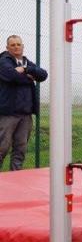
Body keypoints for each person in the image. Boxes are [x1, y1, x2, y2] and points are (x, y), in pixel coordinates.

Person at [0, 35, 48, 170]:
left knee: (20, 149)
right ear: (7, 47)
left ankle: (15, 178)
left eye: (18, 44)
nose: (16, 47)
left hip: (25, 115)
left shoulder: (26, 62)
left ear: (22, 46)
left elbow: (43, 75)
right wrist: (29, 78)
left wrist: (26, 70)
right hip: (8, 113)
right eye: (13, 45)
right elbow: (11, 76)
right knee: (2, 148)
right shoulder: (3, 61)